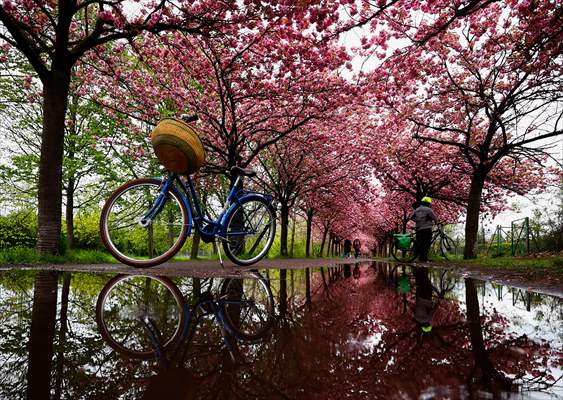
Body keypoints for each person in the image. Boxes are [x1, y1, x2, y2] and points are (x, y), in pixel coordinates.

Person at [410, 196, 438, 262]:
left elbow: (412, 218)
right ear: (427, 203)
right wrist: (436, 222)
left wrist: (418, 221)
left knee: (420, 243)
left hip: (419, 228)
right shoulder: (428, 210)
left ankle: (420, 257)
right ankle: (424, 258)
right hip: (426, 228)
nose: (429, 204)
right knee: (426, 243)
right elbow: (434, 218)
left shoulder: (416, 210)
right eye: (429, 203)